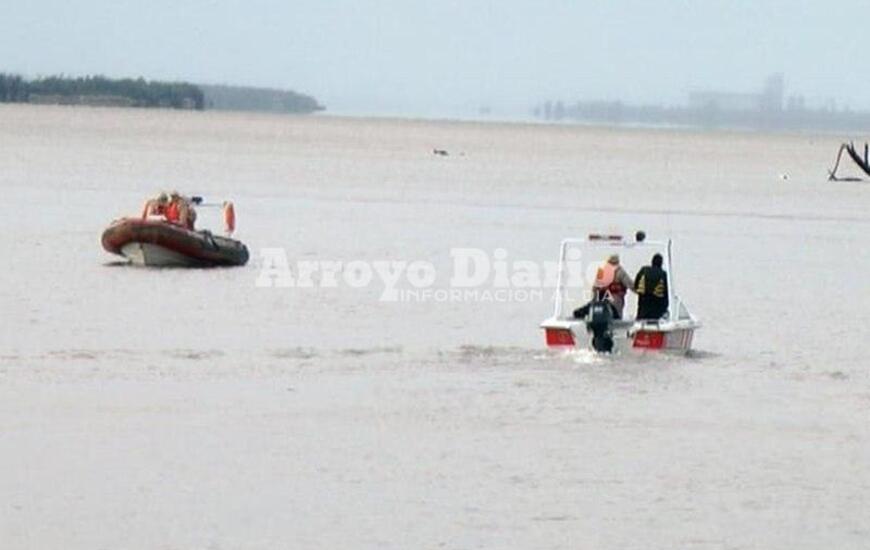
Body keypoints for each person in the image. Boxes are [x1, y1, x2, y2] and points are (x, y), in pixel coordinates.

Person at [574, 254, 634, 320]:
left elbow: (595, 288)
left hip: (602, 302)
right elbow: (632, 286)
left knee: (582, 311)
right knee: (615, 315)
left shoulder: (603, 271)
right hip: (613, 303)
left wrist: (595, 301)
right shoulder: (621, 272)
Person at [634, 253, 669, 320]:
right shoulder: (663, 274)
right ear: (661, 263)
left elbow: (636, 285)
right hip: (657, 306)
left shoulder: (643, 270)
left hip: (643, 304)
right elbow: (666, 292)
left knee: (642, 319)